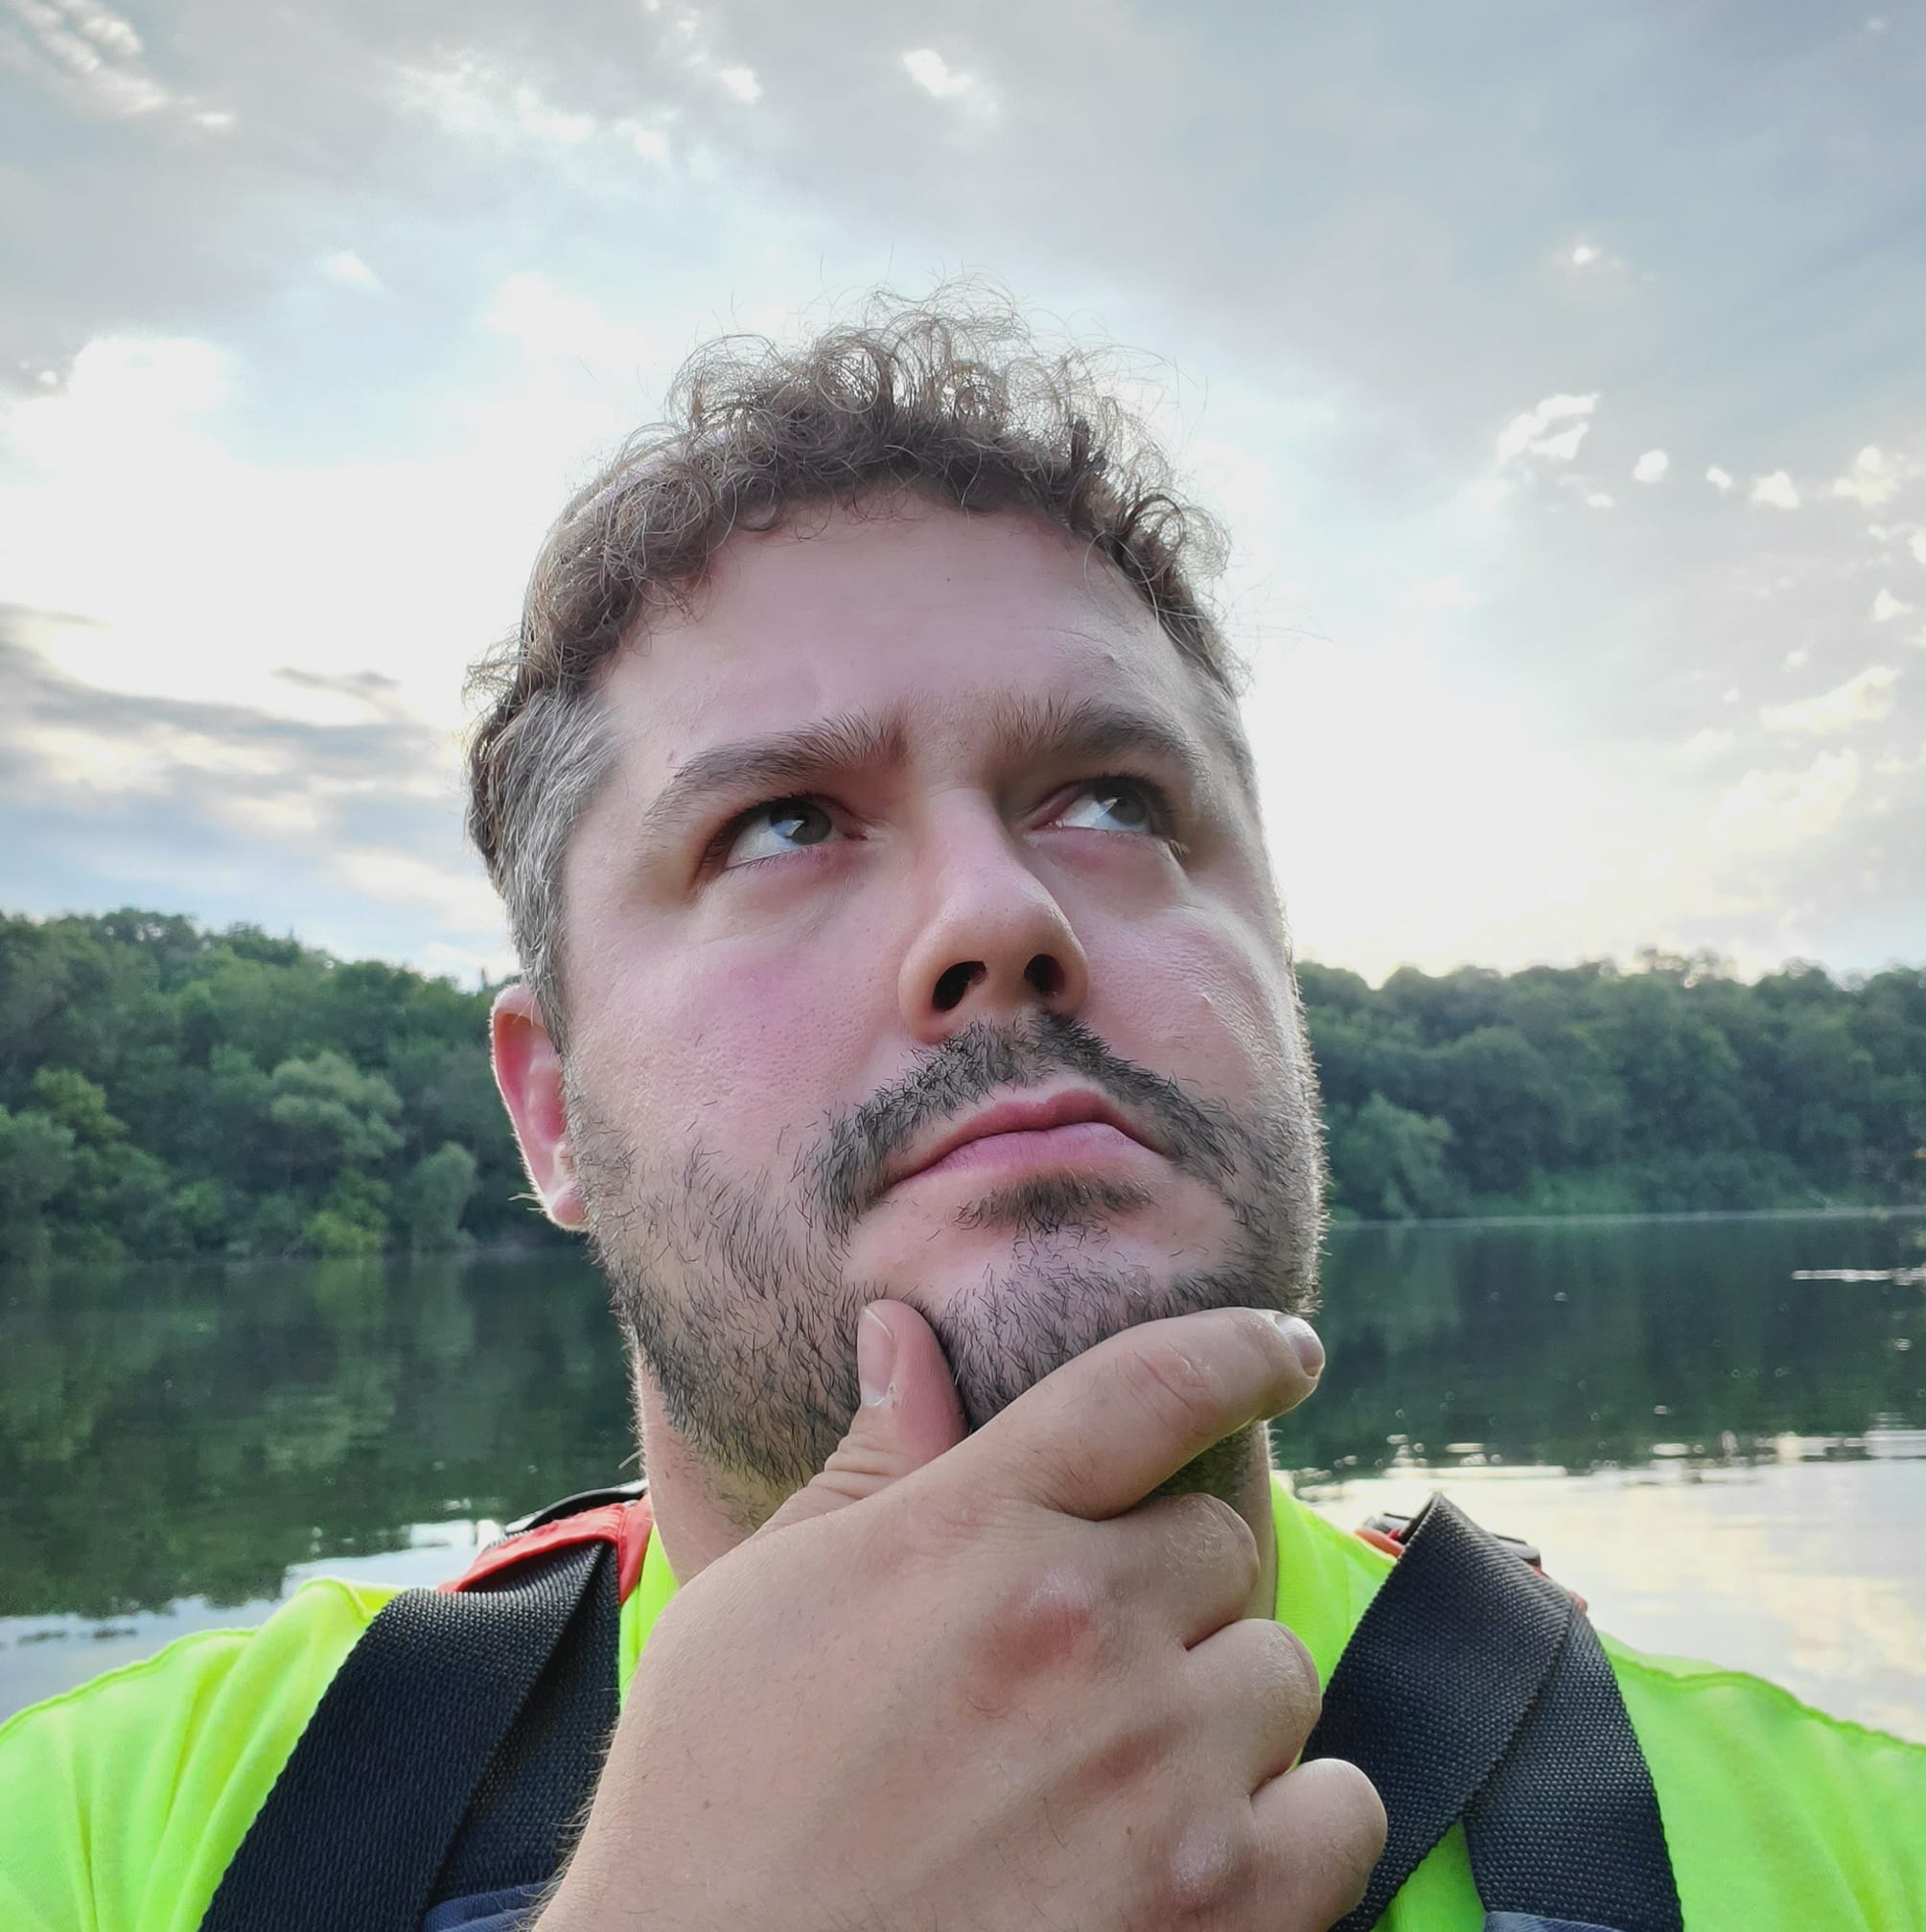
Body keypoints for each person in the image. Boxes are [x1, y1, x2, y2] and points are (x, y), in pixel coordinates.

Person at [1, 290, 1920, 1932]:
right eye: (781, 821)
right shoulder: (96, 1837)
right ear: (551, 1107)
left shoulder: (1852, 1846)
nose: (999, 913)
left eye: (1112, 798)